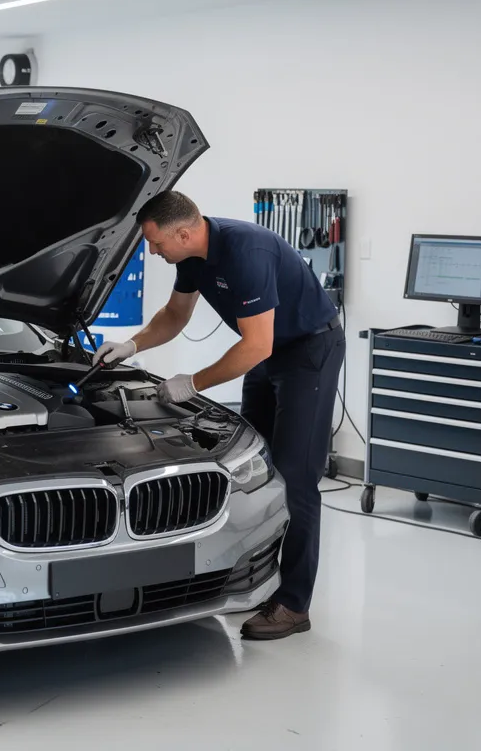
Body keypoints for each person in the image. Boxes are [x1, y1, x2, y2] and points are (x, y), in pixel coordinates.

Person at [95, 191, 345, 640]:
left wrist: (192, 384)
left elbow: (255, 346)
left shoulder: (245, 252)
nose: (153, 252)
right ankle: (249, 580)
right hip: (271, 352)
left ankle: (292, 604)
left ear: (184, 233)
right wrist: (132, 345)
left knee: (295, 475)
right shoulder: (191, 256)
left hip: (309, 350)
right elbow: (174, 315)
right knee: (252, 464)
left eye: (155, 243)